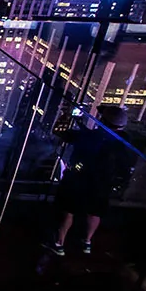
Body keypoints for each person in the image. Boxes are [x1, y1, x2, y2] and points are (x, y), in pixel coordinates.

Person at [45, 105, 130, 256]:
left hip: (78, 180)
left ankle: (59, 243)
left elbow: (58, 131)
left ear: (102, 121)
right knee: (95, 212)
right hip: (103, 184)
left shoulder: (87, 137)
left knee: (68, 210)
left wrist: (65, 116)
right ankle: (87, 242)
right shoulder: (123, 142)